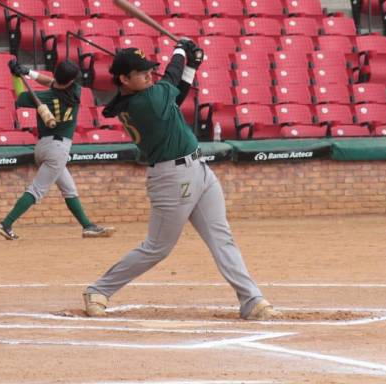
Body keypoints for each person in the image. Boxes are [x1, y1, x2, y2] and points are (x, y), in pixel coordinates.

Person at [82, 43, 281, 321]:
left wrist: (192, 66)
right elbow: (172, 76)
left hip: (199, 169)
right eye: (140, 72)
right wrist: (179, 51)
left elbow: (176, 96)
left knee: (222, 238)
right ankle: (99, 290)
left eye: (149, 69)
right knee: (157, 248)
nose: (148, 75)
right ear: (124, 79)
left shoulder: (148, 98)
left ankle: (252, 300)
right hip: (172, 178)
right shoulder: (145, 101)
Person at [0, 60, 114, 241]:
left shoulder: (44, 97)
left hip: (44, 147)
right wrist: (27, 72)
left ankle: (88, 226)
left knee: (69, 189)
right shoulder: (76, 91)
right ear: (71, 80)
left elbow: (20, 97)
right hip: (58, 149)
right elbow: (53, 83)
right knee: (37, 190)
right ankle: (6, 223)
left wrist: (17, 76)